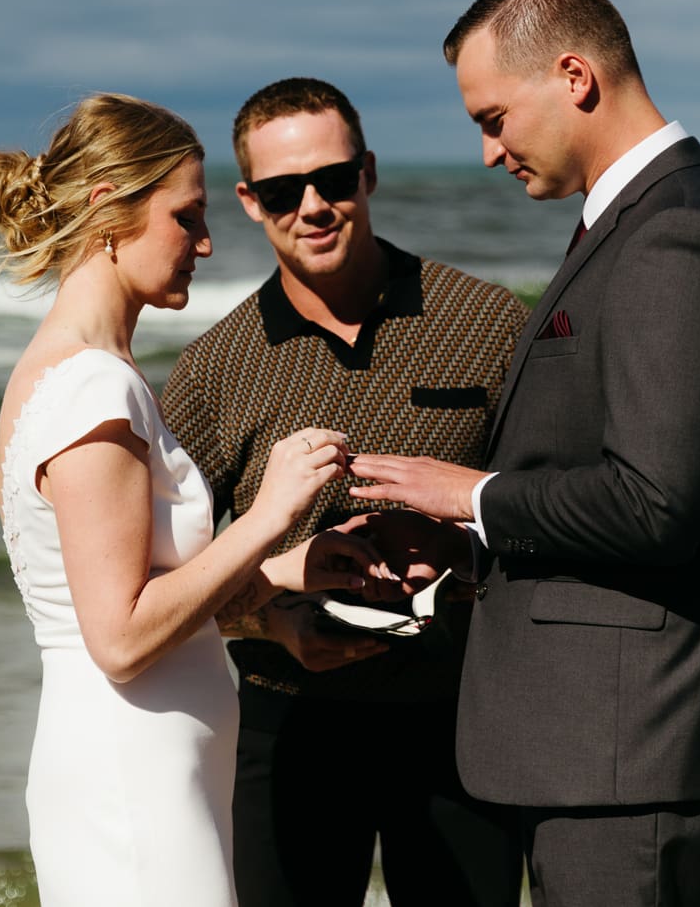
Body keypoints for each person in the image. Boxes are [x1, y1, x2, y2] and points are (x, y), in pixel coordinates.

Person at [349, 0, 700, 907]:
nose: (486, 151)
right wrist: (471, 543)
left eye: (493, 117)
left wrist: (468, 493)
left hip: (633, 756)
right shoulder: (631, 223)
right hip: (602, 753)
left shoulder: (678, 236)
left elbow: (656, 502)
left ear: (574, 76)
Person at [0, 93, 396, 907]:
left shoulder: (82, 371)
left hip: (147, 774)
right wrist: (267, 515)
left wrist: (278, 586)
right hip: (133, 784)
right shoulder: (92, 384)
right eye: (185, 216)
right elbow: (120, 637)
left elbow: (146, 601)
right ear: (107, 210)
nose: (204, 241)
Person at [160, 77, 528, 907]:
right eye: (286, 190)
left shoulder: (489, 323)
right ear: (251, 202)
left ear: (368, 171)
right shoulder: (214, 370)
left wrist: (464, 549)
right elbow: (166, 590)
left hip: (458, 722)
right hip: (286, 725)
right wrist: (275, 622)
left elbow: (550, 512)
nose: (315, 205)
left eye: (333, 179)